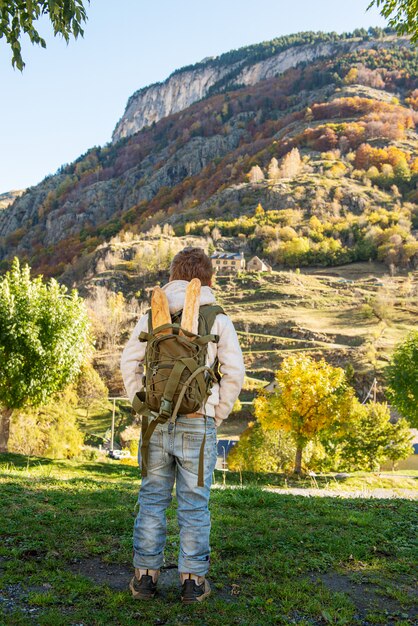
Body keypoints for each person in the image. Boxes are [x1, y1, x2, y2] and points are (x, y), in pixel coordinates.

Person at [120, 247, 245, 603]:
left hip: (155, 422)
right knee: (193, 504)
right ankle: (192, 580)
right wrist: (215, 413)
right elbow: (234, 373)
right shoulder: (217, 316)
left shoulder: (151, 315)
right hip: (198, 422)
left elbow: (128, 362)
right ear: (208, 279)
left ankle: (145, 576)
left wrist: (141, 404)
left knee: (152, 499)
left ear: (173, 274)